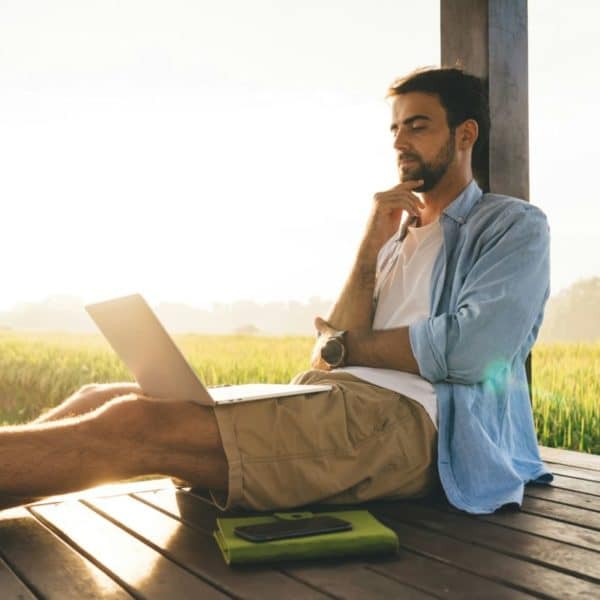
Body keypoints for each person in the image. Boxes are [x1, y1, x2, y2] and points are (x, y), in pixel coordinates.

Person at [0, 67, 552, 514]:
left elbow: (472, 350)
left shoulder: (512, 227)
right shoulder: (395, 235)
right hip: (334, 399)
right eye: (395, 129)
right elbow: (325, 352)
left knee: (134, 424)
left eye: (418, 126)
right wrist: (369, 245)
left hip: (411, 423)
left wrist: (348, 348)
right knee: (101, 398)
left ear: (464, 135)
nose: (400, 141)